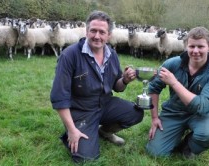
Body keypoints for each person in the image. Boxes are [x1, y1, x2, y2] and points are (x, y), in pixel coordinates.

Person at [50, 10, 144, 163]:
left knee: (136, 113)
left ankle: (105, 132)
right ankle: (73, 131)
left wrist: (125, 80)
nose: (97, 36)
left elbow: (116, 87)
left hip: (105, 104)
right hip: (81, 110)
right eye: (93, 30)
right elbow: (59, 96)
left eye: (102, 32)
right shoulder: (70, 55)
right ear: (86, 31)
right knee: (86, 158)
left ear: (109, 35)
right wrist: (73, 130)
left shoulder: (111, 54)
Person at [146, 26, 209, 159]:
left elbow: (203, 106)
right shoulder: (172, 63)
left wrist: (174, 83)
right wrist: (154, 118)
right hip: (174, 112)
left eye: (200, 47)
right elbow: (154, 88)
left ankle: (189, 144)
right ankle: (173, 133)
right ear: (186, 46)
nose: (195, 51)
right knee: (155, 153)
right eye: (191, 46)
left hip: (200, 114)